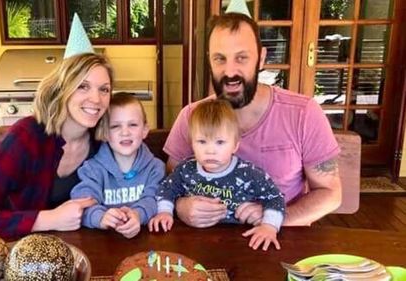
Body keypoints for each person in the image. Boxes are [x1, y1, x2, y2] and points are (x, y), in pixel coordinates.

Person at [163, 12, 342, 228]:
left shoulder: (303, 113)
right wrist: (180, 206)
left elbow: (330, 193)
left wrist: (273, 220)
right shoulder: (191, 116)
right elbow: (171, 182)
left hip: (280, 243)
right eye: (220, 58)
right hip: (206, 245)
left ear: (261, 58)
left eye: (241, 58)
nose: (230, 72)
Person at [0, 52, 114, 238]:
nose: (96, 99)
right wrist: (51, 219)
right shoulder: (26, 136)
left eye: (104, 89)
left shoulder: (105, 141)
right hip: (20, 253)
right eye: (83, 86)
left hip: (82, 253)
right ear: (62, 89)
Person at [149, 100, 285, 250]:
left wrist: (269, 226)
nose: (210, 151)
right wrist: (164, 212)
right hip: (192, 241)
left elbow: (275, 197)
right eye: (202, 141)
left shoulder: (249, 173)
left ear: (235, 145)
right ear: (191, 143)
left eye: (220, 142)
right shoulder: (185, 169)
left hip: (238, 242)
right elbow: (166, 189)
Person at [70, 93, 165, 239]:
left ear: (145, 130)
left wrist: (137, 215)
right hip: (102, 244)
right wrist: (101, 218)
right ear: (105, 133)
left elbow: (153, 199)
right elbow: (82, 204)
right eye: (115, 126)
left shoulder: (155, 168)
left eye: (132, 125)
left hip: (144, 243)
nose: (125, 132)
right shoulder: (91, 170)